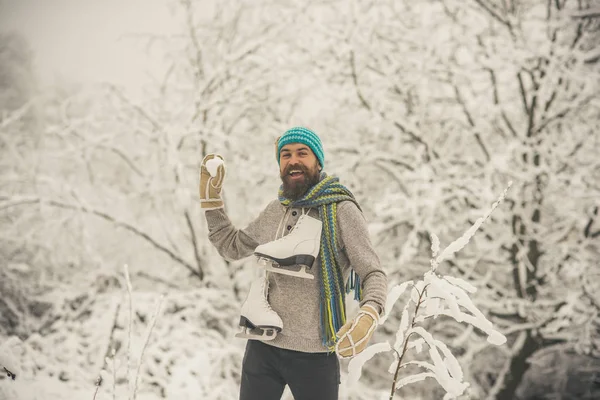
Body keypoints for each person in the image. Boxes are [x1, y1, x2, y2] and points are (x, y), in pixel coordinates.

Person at [199, 127, 387, 400]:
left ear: (318, 161)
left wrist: (369, 312)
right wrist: (211, 203)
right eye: (285, 155)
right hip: (263, 346)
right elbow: (233, 247)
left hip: (315, 353)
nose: (293, 160)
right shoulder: (277, 210)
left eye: (302, 153)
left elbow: (372, 272)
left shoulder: (341, 210)